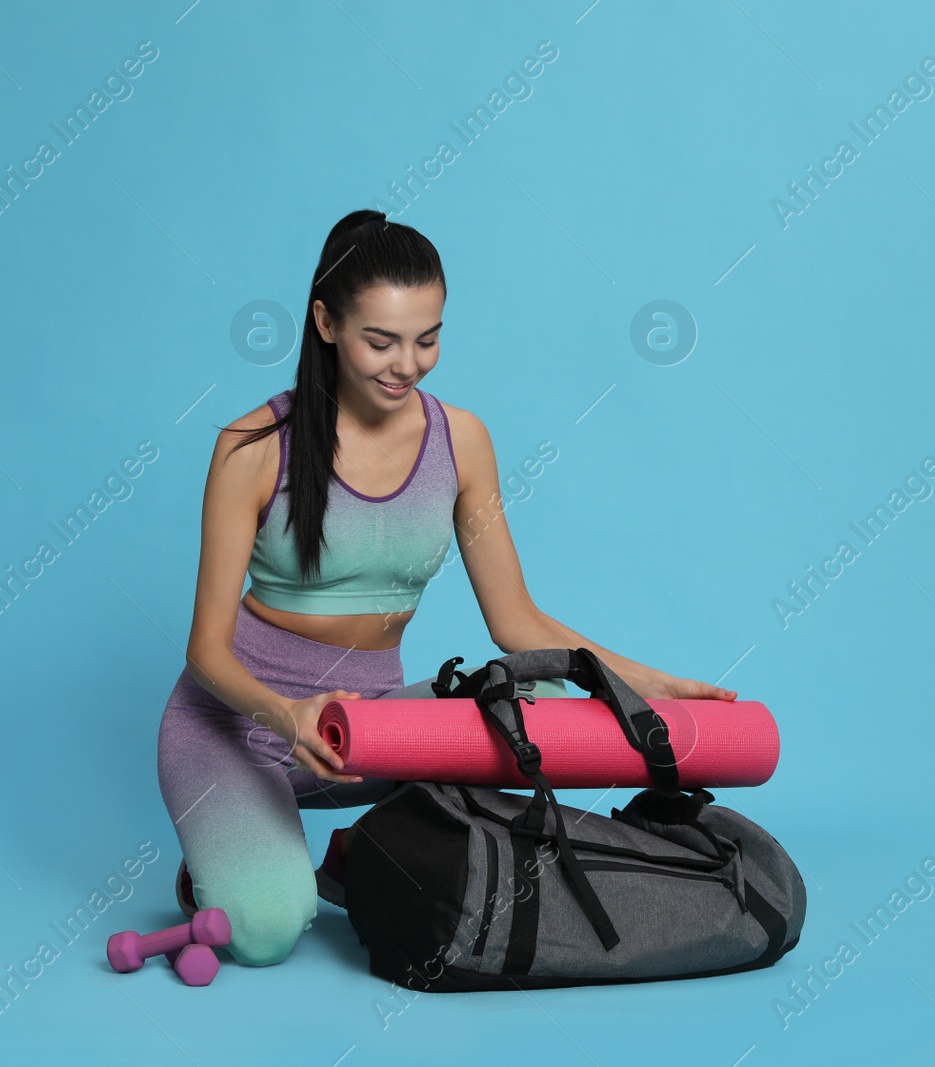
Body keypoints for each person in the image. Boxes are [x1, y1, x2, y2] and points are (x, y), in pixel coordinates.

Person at [155, 208, 739, 967]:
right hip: (237, 725)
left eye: (427, 338)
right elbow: (205, 649)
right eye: (381, 340)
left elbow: (516, 620)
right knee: (267, 933)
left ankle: (353, 851)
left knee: (528, 710)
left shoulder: (462, 442)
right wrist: (286, 713)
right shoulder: (253, 447)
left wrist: (645, 685)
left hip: (368, 732)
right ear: (326, 322)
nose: (408, 364)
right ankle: (238, 861)